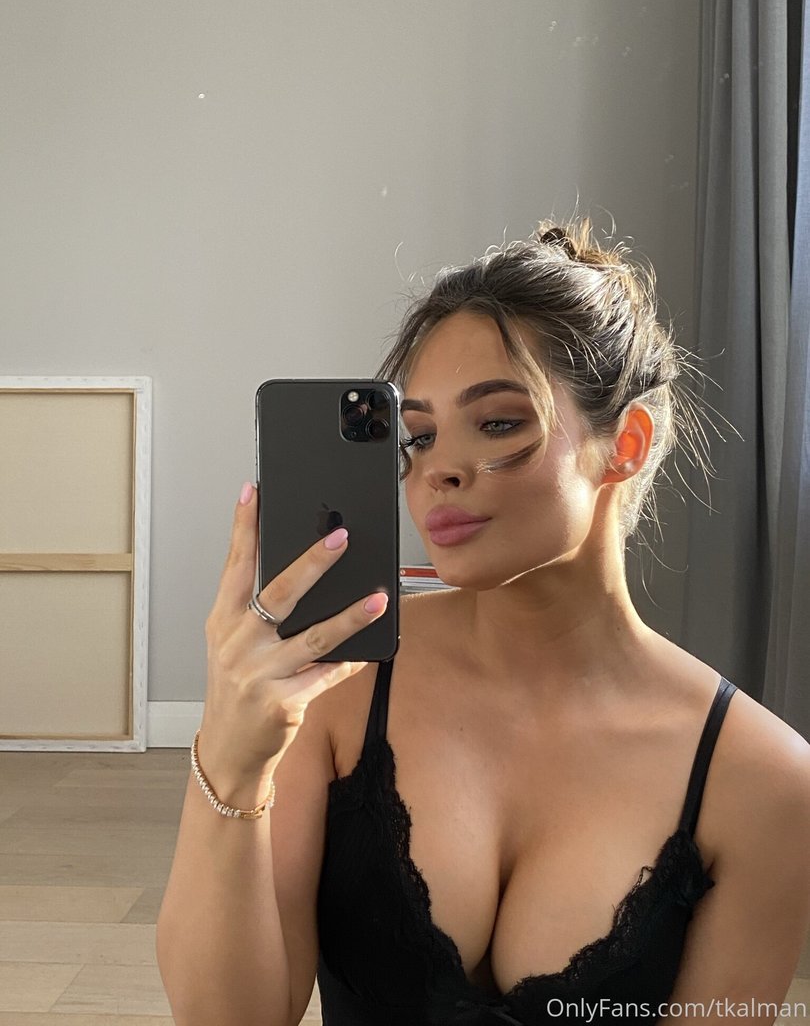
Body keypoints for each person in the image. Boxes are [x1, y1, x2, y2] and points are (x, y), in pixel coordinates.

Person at [156, 218, 810, 1026]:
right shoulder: (339, 685)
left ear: (626, 443)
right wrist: (230, 756)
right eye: (419, 437)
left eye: (498, 422)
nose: (439, 469)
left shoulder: (764, 781)